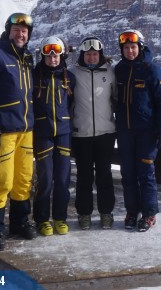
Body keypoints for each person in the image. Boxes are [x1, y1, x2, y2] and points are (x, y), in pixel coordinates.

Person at [0, 12, 36, 252]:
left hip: (27, 128)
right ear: (8, 32)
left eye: (24, 31)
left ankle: (19, 222)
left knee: (24, 179)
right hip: (5, 130)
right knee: (3, 180)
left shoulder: (27, 57)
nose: (20, 34)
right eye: (16, 30)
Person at [113, 29, 161, 232]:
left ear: (140, 47)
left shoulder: (152, 70)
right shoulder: (119, 70)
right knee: (127, 174)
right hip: (125, 132)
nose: (130, 51)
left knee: (146, 174)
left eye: (133, 47)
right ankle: (132, 211)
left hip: (146, 132)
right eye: (126, 47)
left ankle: (149, 214)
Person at [68, 36, 117, 230]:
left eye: (95, 54)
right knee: (84, 176)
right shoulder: (73, 74)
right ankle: (84, 214)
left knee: (104, 174)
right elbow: (67, 101)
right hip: (82, 133)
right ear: (82, 55)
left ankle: (106, 213)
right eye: (88, 54)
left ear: (100, 54)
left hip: (106, 133)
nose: (91, 57)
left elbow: (117, 98)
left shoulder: (110, 72)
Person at [32, 36, 76, 236]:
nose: (52, 58)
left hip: (64, 134)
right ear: (42, 55)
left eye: (56, 55)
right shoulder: (35, 77)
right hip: (43, 134)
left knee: (63, 178)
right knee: (45, 178)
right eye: (48, 55)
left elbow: (73, 104)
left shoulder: (69, 78)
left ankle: (60, 217)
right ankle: (42, 219)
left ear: (62, 55)